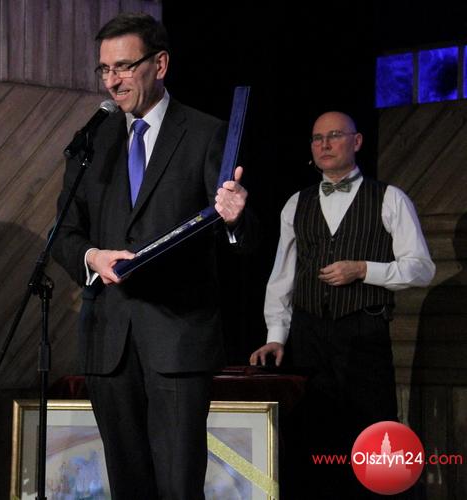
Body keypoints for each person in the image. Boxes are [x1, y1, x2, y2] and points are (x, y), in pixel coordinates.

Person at [51, 13, 257, 499]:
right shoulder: (92, 141)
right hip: (109, 341)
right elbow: (63, 234)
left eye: (124, 66)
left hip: (177, 338)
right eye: (105, 69)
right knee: (128, 486)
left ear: (160, 64)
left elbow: (242, 238)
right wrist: (93, 257)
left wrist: (235, 219)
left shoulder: (205, 133)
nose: (112, 80)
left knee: (178, 485)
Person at [250, 111, 435, 496]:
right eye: (317, 138)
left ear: (357, 141)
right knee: (314, 434)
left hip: (363, 331)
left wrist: (364, 269)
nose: (324, 145)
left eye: (334, 135)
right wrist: (276, 336)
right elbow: (283, 274)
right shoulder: (296, 203)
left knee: (371, 434)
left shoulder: (389, 198)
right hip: (309, 334)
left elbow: (421, 268)